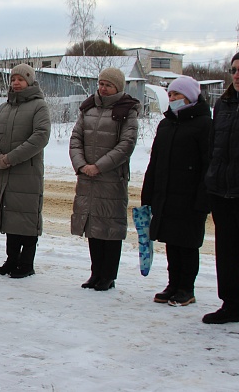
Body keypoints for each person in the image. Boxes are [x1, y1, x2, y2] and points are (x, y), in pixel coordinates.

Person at [140, 75, 211, 306]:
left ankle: (186, 288)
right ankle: (173, 284)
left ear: (189, 97)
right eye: (170, 95)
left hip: (190, 197)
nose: (172, 99)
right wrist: (148, 193)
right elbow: (155, 161)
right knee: (171, 241)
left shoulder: (204, 124)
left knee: (187, 244)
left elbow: (208, 164)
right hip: (167, 194)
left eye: (177, 95)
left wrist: (203, 198)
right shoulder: (166, 124)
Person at [70, 67, 140, 291]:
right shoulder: (88, 107)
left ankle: (108, 275)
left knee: (109, 227)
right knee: (92, 226)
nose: (102, 88)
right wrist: (81, 165)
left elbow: (126, 145)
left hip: (111, 178)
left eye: (108, 85)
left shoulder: (127, 110)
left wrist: (99, 167)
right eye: (100, 83)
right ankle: (95, 273)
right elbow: (76, 138)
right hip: (87, 177)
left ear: (118, 87)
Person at [203, 47, 239, 335]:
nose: (237, 75)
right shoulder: (223, 104)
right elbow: (214, 147)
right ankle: (232, 306)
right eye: (233, 70)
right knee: (227, 254)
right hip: (223, 192)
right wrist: (211, 179)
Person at [0, 64, 51, 278]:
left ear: (30, 81)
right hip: (3, 171)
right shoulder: (5, 107)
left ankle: (26, 263)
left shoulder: (39, 106)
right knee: (10, 216)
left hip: (27, 171)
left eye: (21, 79)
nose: (16, 83)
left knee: (27, 217)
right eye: (13, 79)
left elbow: (40, 136)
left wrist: (11, 158)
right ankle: (11, 259)